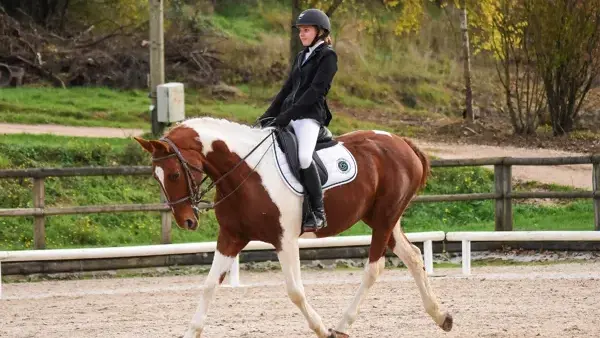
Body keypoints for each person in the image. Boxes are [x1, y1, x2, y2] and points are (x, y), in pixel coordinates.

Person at [257, 8, 338, 233]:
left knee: (303, 157)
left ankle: (318, 212)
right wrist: (269, 115)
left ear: (320, 32)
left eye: (306, 30)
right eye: (300, 31)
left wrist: (287, 115)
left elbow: (315, 91)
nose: (302, 34)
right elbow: (286, 89)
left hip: (310, 117)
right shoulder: (301, 56)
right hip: (290, 114)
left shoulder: (328, 56)